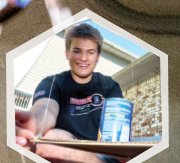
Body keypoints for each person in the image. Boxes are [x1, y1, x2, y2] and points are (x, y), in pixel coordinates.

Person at [15, 23, 125, 163]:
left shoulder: (109, 85)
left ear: (98, 56)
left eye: (90, 52)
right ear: (67, 53)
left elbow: (117, 129)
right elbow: (45, 108)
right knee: (51, 142)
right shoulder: (53, 83)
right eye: (77, 51)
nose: (83, 58)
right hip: (65, 144)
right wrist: (34, 123)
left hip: (101, 154)